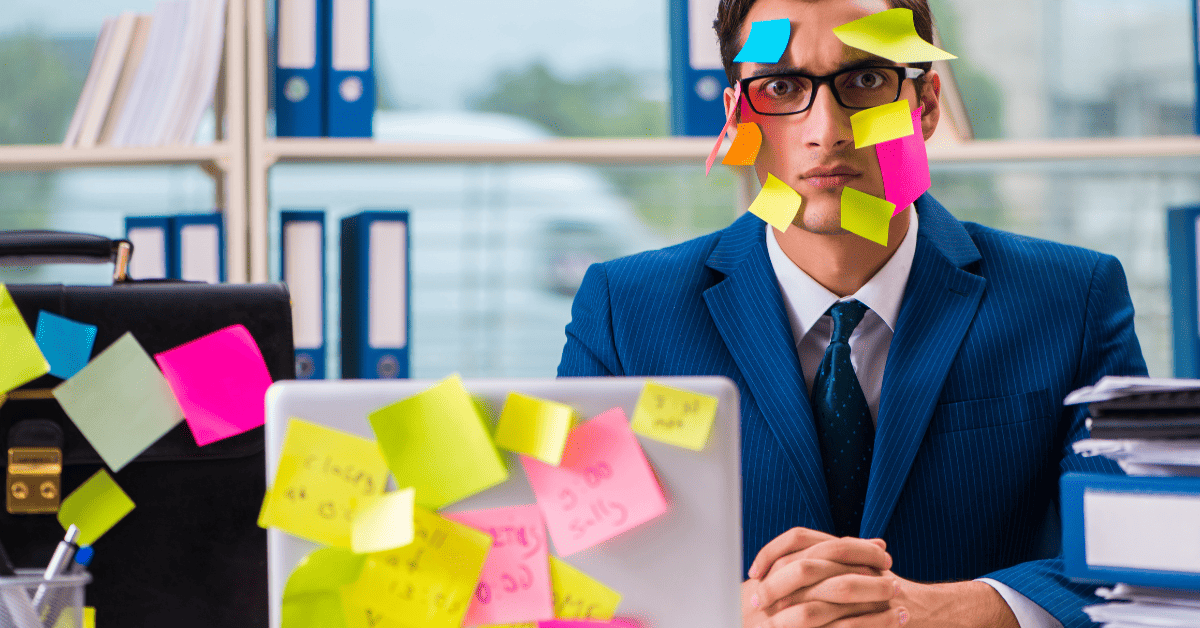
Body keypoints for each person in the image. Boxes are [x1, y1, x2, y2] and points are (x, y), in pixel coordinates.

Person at [558, 0, 1149, 626]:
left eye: (865, 80)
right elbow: (565, 566)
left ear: (925, 106)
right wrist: (724, 614)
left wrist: (942, 610)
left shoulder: (1070, 298)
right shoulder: (626, 312)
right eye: (781, 87)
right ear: (736, 116)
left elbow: (1136, 544)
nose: (827, 130)